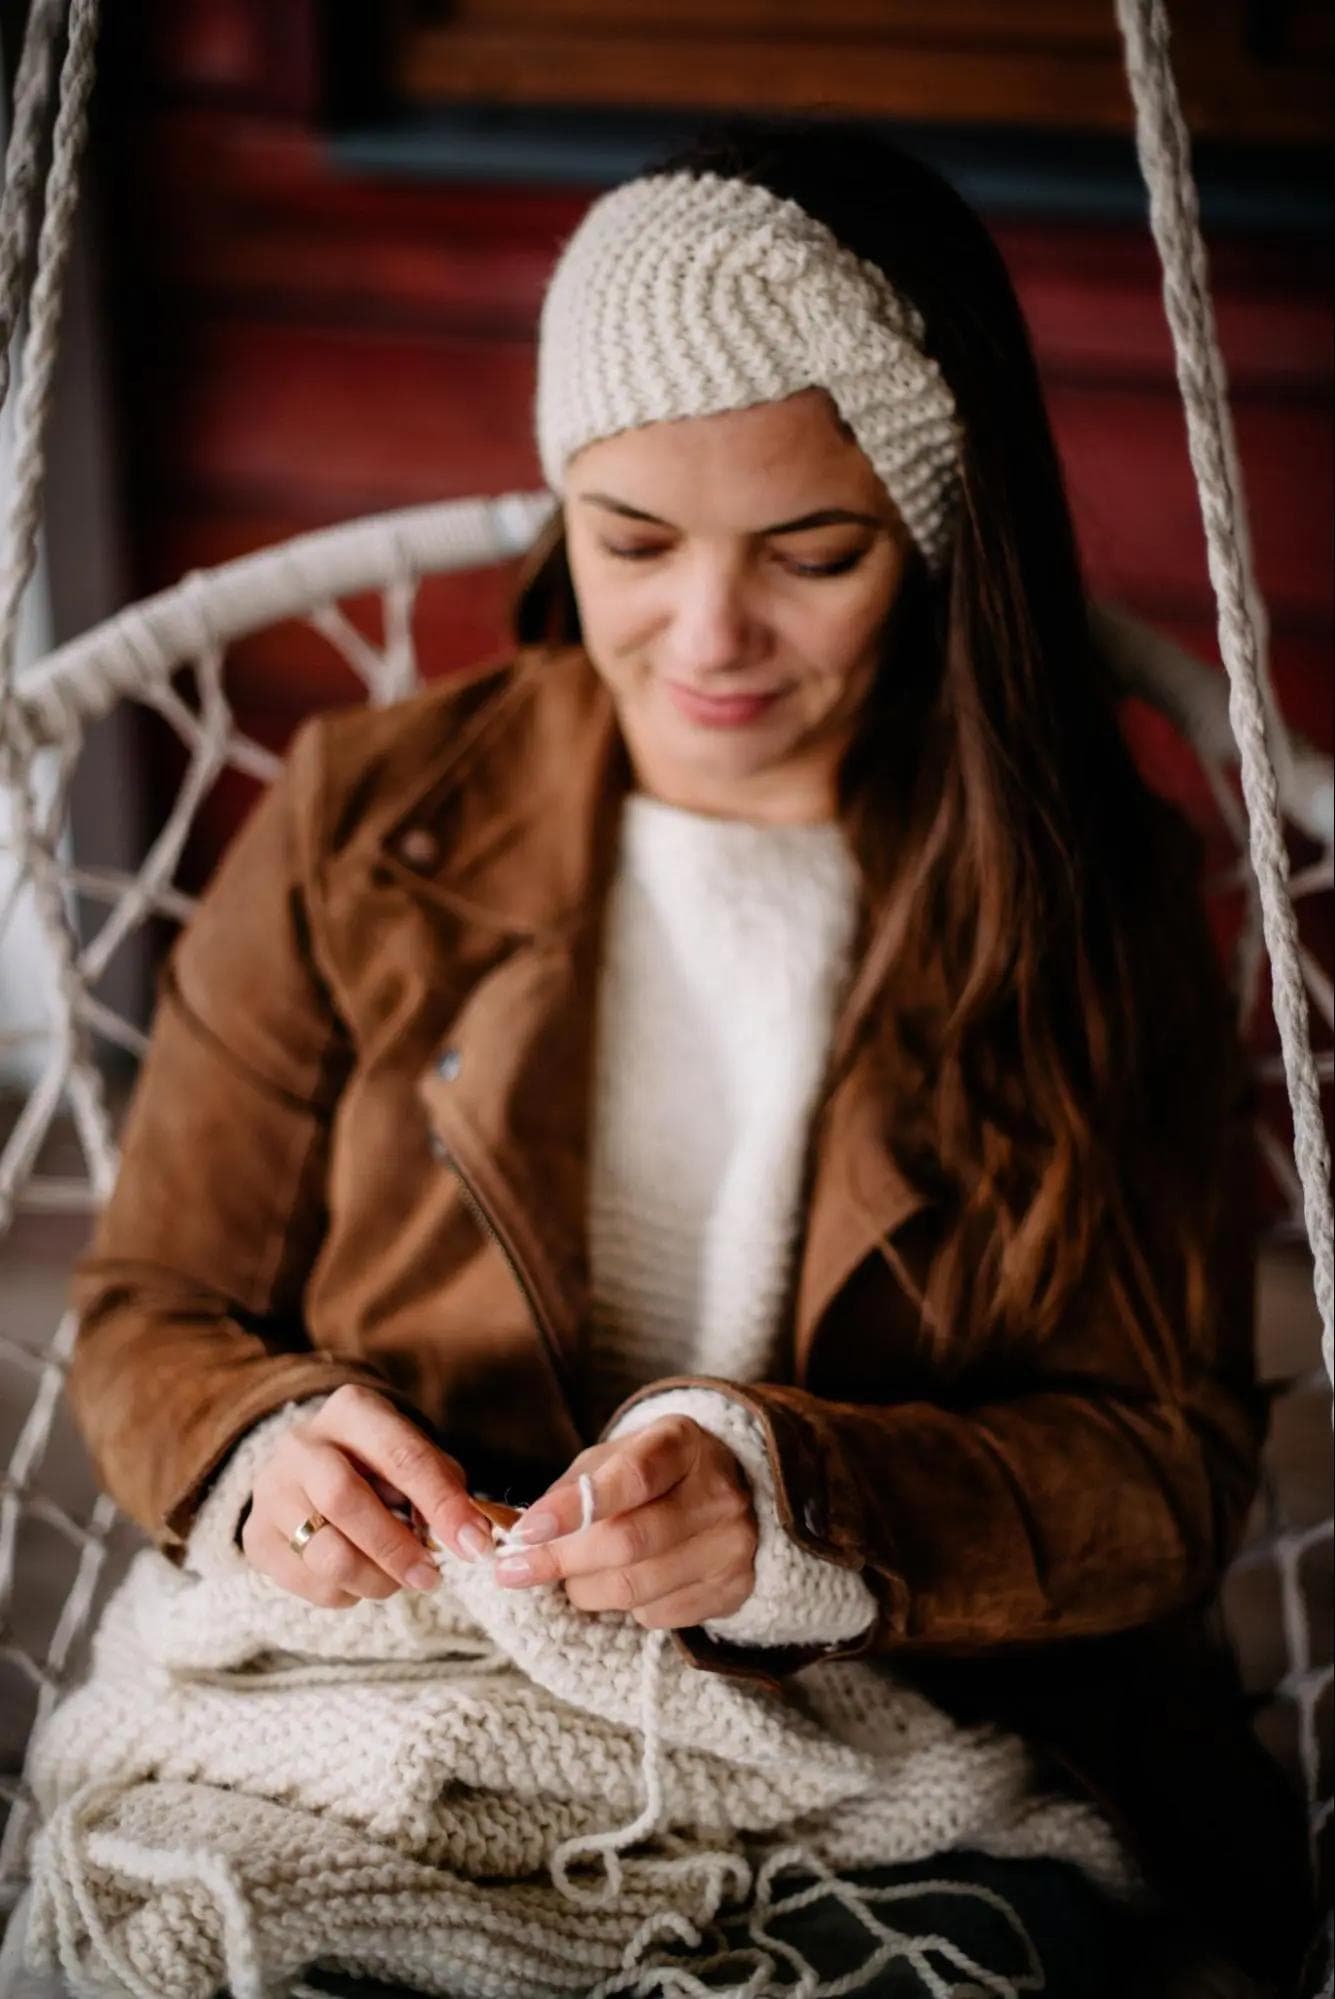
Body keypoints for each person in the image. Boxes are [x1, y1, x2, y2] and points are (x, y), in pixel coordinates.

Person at [65, 123, 1309, 1993]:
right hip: (406, 1691)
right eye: (632, 541)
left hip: (897, 1738)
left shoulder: (1078, 890)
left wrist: (796, 1514)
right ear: (562, 503)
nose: (709, 636)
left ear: (933, 539)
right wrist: (263, 1454)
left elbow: (1162, 1466)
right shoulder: (361, 818)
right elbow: (151, 1305)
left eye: (815, 552)